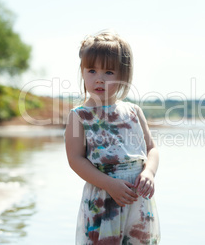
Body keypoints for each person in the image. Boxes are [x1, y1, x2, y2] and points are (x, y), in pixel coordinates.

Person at [65, 29, 161, 245]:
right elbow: (75, 160)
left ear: (124, 75)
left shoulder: (134, 112)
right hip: (103, 198)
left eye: (108, 72)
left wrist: (149, 172)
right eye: (91, 71)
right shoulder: (79, 116)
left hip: (138, 200)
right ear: (82, 72)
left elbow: (151, 149)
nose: (99, 79)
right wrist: (109, 184)